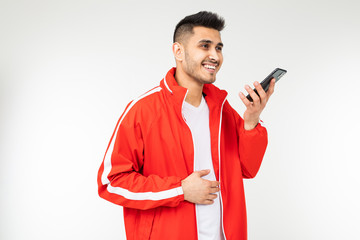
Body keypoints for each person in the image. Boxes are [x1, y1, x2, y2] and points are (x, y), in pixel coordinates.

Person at [97, 11, 275, 240]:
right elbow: (110, 182)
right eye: (205, 46)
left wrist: (251, 121)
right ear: (178, 51)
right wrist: (180, 190)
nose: (215, 56)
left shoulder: (222, 110)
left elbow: (247, 169)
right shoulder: (142, 110)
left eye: (219, 48)